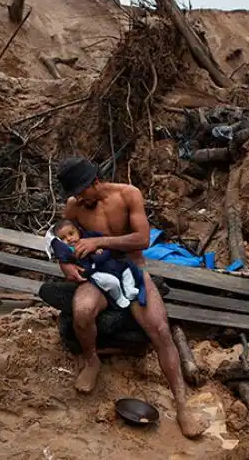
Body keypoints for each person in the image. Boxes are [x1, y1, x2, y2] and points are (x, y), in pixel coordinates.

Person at [55, 156, 207, 438]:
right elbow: (60, 242)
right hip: (99, 272)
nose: (77, 198)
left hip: (131, 268)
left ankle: (183, 407)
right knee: (82, 310)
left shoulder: (127, 195)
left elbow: (142, 239)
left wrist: (98, 240)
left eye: (80, 191)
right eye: (74, 194)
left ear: (95, 182)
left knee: (160, 330)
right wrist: (66, 265)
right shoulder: (74, 207)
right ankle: (92, 360)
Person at [48, 219, 142, 309]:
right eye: (63, 238)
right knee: (112, 282)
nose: (68, 239)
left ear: (78, 231)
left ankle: (129, 289)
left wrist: (98, 247)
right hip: (95, 272)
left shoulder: (89, 237)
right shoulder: (69, 250)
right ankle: (119, 297)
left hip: (110, 265)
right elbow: (63, 255)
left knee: (126, 270)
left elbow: (103, 241)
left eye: (71, 234)